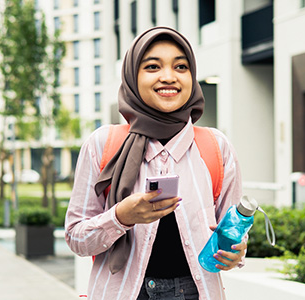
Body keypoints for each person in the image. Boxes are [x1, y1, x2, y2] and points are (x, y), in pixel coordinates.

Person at [65, 26, 246, 300]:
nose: (169, 77)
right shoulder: (103, 144)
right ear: (132, 76)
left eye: (181, 67)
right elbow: (76, 238)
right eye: (152, 67)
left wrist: (235, 252)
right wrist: (120, 217)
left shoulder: (216, 147)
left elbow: (232, 233)